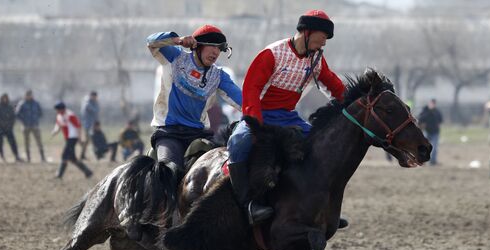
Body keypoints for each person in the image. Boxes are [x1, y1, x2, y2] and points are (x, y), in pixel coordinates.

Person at [227, 10, 345, 225]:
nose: (324, 43)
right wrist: (255, 124)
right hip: (261, 114)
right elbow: (251, 89)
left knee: (320, 144)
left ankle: (322, 206)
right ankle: (247, 205)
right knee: (238, 142)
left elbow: (333, 83)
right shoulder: (272, 54)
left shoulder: (316, 58)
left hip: (289, 117)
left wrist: (353, 100)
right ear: (307, 32)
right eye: (322, 37)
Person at [146, 24, 241, 170]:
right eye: (212, 46)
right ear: (197, 45)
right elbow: (151, 41)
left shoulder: (219, 76)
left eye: (219, 49)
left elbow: (244, 101)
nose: (215, 52)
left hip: (198, 135)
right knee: (170, 171)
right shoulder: (175, 57)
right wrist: (177, 40)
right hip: (169, 133)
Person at [51, 102, 93, 179]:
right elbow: (58, 125)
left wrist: (80, 139)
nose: (56, 111)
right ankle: (88, 172)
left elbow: (78, 126)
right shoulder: (59, 116)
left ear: (62, 109)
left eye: (57, 110)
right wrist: (54, 132)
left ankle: (59, 174)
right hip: (67, 138)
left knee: (64, 155)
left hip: (73, 138)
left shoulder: (70, 115)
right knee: (72, 158)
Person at [15, 89, 46, 162]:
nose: (29, 96)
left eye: (30, 95)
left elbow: (41, 112)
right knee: (27, 142)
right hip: (26, 126)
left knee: (39, 141)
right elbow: (17, 114)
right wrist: (23, 120)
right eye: (28, 95)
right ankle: (28, 158)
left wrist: (36, 118)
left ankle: (42, 157)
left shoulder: (36, 103)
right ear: (25, 96)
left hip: (35, 125)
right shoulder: (22, 104)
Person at [0, 94, 23, 162]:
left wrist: (10, 125)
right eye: (3, 98)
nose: (5, 99)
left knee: (13, 143)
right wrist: (2, 123)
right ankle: (2, 156)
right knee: (0, 143)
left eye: (6, 98)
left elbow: (13, 117)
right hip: (0, 128)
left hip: (8, 128)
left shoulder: (10, 107)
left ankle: (16, 156)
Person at [418, 99, 443, 166]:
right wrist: (429, 112)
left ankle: (433, 161)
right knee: (425, 148)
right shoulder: (425, 110)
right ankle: (423, 161)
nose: (432, 105)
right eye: (431, 103)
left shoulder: (437, 111)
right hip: (427, 131)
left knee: (434, 148)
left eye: (434, 104)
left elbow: (440, 120)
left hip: (435, 132)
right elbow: (420, 119)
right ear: (429, 103)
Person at [80, 91, 100, 160]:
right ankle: (83, 154)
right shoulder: (87, 103)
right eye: (94, 96)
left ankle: (84, 154)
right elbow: (94, 111)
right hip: (87, 125)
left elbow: (96, 113)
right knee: (88, 140)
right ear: (91, 96)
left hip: (93, 124)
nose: (95, 98)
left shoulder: (94, 102)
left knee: (91, 140)